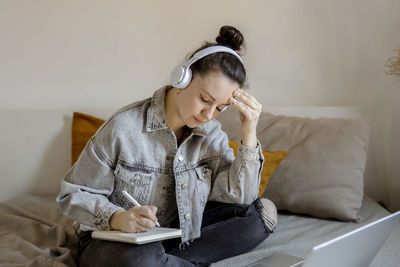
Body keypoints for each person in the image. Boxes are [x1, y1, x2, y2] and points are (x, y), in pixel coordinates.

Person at [57, 25, 278, 267]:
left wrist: (249, 132)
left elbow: (241, 197)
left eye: (220, 108)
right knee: (140, 257)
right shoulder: (123, 128)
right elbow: (72, 195)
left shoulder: (211, 134)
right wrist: (118, 217)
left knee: (263, 214)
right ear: (181, 78)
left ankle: (165, 262)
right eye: (204, 99)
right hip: (114, 240)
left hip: (178, 236)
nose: (208, 114)